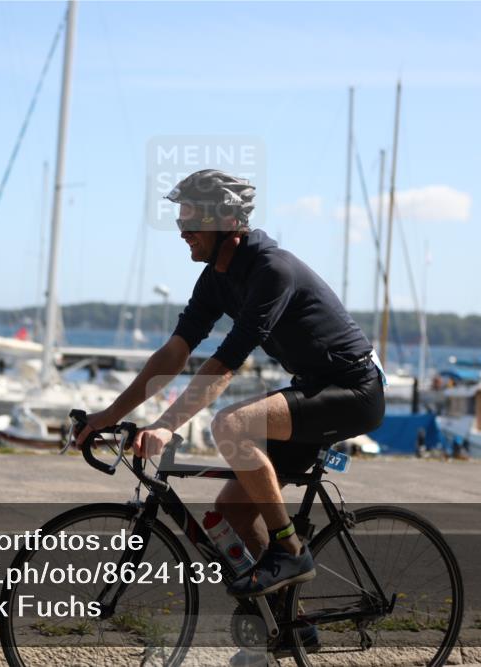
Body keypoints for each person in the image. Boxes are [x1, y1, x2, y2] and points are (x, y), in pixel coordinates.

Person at [77, 169, 385, 662]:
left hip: (353, 389)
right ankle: (294, 623)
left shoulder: (271, 269)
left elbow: (227, 360)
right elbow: (175, 352)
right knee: (235, 508)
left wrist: (165, 425)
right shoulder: (216, 278)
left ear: (227, 222)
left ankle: (289, 551)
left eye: (191, 219)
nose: (182, 229)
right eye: (180, 218)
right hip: (312, 389)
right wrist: (109, 413)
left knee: (231, 423)